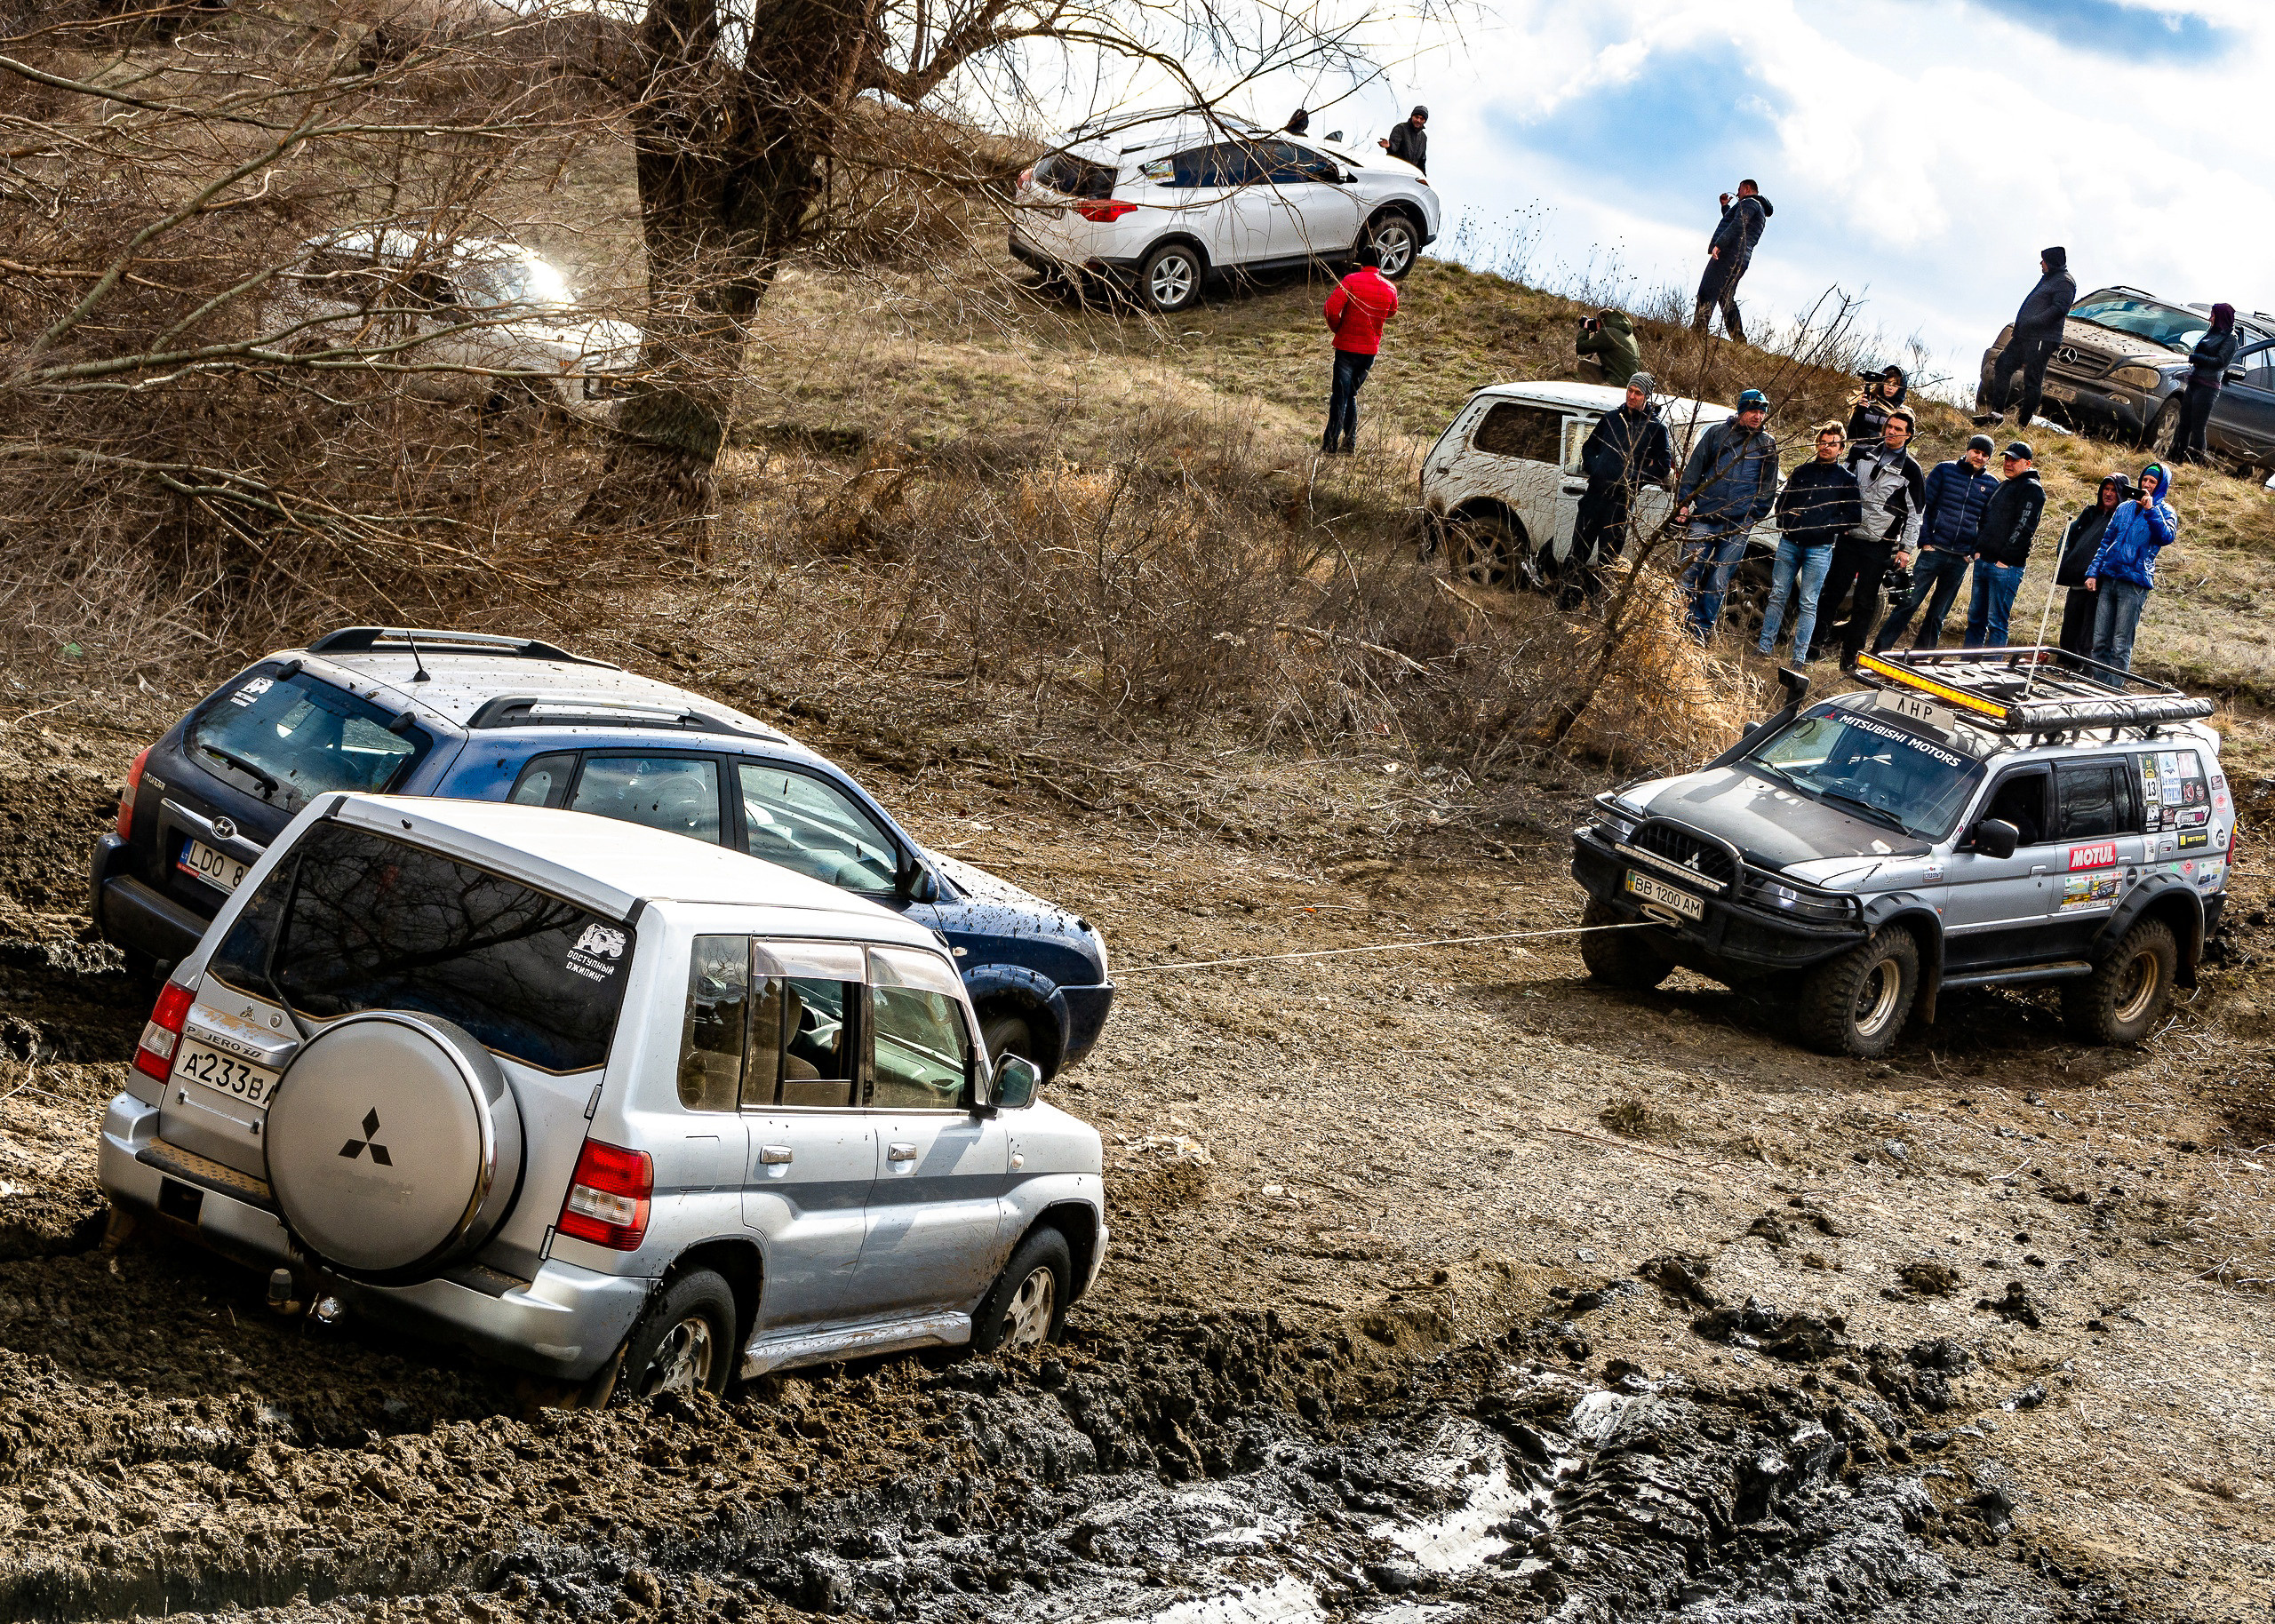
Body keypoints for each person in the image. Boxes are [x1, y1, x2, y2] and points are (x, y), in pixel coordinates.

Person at [1813, 407, 1925, 670]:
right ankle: (1812, 648)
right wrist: (1835, 520)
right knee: (1831, 594)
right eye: (1890, 426)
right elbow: (1840, 485)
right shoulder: (1861, 452)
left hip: (1879, 546)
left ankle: (1849, 660)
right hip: (1849, 537)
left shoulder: (1911, 470)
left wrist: (1906, 549)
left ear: (1909, 435)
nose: (1892, 432)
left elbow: (1915, 514)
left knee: (1864, 604)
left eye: (1899, 429)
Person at [1872, 434, 1997, 654]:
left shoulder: (1991, 484)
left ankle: (1921, 658)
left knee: (1938, 613)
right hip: (1933, 551)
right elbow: (1924, 507)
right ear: (1968, 450)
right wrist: (1926, 540)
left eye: (1985, 455)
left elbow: (1988, 522)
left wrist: (1972, 551)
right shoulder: (1944, 470)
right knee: (1908, 603)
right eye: (1976, 451)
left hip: (1960, 558)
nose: (1979, 457)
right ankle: (1880, 650)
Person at [1672, 387, 1778, 641]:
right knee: (1688, 572)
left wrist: (1752, 517)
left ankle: (1700, 632)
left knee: (1719, 581)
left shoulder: (1767, 444)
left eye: (1761, 411)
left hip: (1738, 526)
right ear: (1741, 410)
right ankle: (1676, 625)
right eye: (1753, 410)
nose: (1757, 416)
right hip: (1705, 519)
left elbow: (1768, 488)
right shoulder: (1717, 434)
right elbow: (1693, 471)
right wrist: (1684, 503)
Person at [1564, 373, 1674, 608]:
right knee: (1578, 552)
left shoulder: (1655, 428)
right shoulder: (1611, 418)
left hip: (1620, 503)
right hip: (1593, 496)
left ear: (1647, 397)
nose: (1632, 396)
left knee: (1608, 560)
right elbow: (1588, 448)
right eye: (1630, 390)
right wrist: (1595, 468)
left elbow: (1664, 465)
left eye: (1638, 393)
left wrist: (1636, 478)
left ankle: (1599, 608)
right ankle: (1567, 603)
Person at [1757, 422, 1859, 665]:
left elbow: (1854, 517)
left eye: (1832, 444)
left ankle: (1799, 657)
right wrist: (1785, 519)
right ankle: (1764, 647)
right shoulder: (1801, 471)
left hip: (1819, 549)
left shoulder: (1846, 480)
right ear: (1817, 443)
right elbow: (1782, 502)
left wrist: (1826, 526)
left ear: (1841, 449)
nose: (1826, 447)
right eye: (1823, 442)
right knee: (1778, 594)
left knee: (1808, 602)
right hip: (1789, 543)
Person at [2084, 462, 2177, 679]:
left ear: (2161, 485)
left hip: (2134, 583)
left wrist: (2150, 510)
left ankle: (2113, 694)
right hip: (2110, 578)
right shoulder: (2124, 508)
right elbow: (2106, 542)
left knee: (2120, 644)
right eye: (2144, 479)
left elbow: (2166, 537)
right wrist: (2093, 572)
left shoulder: (2165, 511)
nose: (2146, 484)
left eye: (2152, 481)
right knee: (2099, 641)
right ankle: (2094, 688)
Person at [1976, 247, 2076, 429]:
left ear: (2052, 262)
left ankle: (2022, 425)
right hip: (2025, 337)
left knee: (2032, 379)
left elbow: (2060, 309)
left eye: (2043, 260)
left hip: (2041, 339)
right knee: (2002, 365)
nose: (2041, 264)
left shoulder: (2065, 282)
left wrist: (2034, 322)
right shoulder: (2049, 278)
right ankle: (1996, 414)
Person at [1963, 442, 2045, 649]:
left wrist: (2004, 560)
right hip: (1984, 561)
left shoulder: (2032, 489)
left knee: (1996, 624)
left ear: (2027, 463)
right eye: (2007, 459)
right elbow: (1985, 519)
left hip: (2005, 567)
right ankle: (1967, 665)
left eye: (2014, 460)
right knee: (1975, 620)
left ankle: (1990, 671)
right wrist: (1978, 550)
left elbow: (2024, 527)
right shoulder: (2004, 485)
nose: (2008, 463)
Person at [1321, 246, 1397, 454]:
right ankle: (1350, 445)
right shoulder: (1390, 288)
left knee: (1340, 396)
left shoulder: (1351, 281)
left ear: (1361, 262)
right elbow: (1392, 311)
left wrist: (1338, 328)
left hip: (1346, 348)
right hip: (1369, 352)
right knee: (1350, 395)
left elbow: (1330, 309)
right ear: (1380, 263)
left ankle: (1330, 446)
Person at [2053, 474, 2129, 656]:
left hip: (2098, 586)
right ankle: (2066, 666)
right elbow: (2068, 535)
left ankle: (2084, 672)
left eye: (2114, 490)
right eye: (2106, 489)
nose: (2108, 494)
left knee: (2089, 635)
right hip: (2076, 581)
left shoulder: (2121, 520)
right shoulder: (2090, 514)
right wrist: (2064, 558)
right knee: (2069, 630)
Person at [1692, 179, 1773, 343]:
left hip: (1729, 254)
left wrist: (1720, 244)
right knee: (1725, 296)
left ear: (1747, 188)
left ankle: (1697, 333)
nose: (1737, 193)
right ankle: (1739, 340)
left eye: (1739, 189)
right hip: (1741, 258)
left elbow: (1738, 223)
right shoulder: (1758, 208)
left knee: (1707, 291)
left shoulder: (1750, 203)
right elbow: (1738, 221)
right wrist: (1725, 207)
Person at [2175, 303, 2239, 466]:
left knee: (2197, 428)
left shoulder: (2230, 339)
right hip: (2194, 381)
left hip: (2208, 386)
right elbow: (2198, 351)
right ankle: (2175, 458)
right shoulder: (2212, 332)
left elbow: (2220, 362)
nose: (2210, 318)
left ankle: (2196, 463)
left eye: (2213, 315)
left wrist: (2196, 359)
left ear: (2221, 318)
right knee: (2184, 424)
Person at [1575, 307, 1640, 388]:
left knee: (1583, 365)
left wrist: (1585, 329)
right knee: (1586, 364)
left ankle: (1599, 391)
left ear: (1599, 324)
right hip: (1633, 383)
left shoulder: (1607, 333)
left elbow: (1581, 348)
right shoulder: (1628, 334)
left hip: (1617, 382)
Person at [1846, 366, 1907, 445]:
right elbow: (1852, 435)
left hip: (1885, 455)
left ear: (1901, 388)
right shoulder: (1869, 405)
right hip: (1860, 452)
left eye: (1895, 385)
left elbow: (1900, 443)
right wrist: (1860, 412)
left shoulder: (1901, 413)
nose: (1890, 387)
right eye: (1887, 383)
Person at [1380, 107, 1427, 172]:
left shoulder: (1423, 137)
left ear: (1425, 121)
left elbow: (1422, 161)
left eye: (1421, 119)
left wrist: (1423, 177)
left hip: (1410, 173)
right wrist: (1390, 145)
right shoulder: (1401, 128)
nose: (1418, 120)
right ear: (1412, 117)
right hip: (1394, 169)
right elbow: (1394, 146)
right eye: (1416, 117)